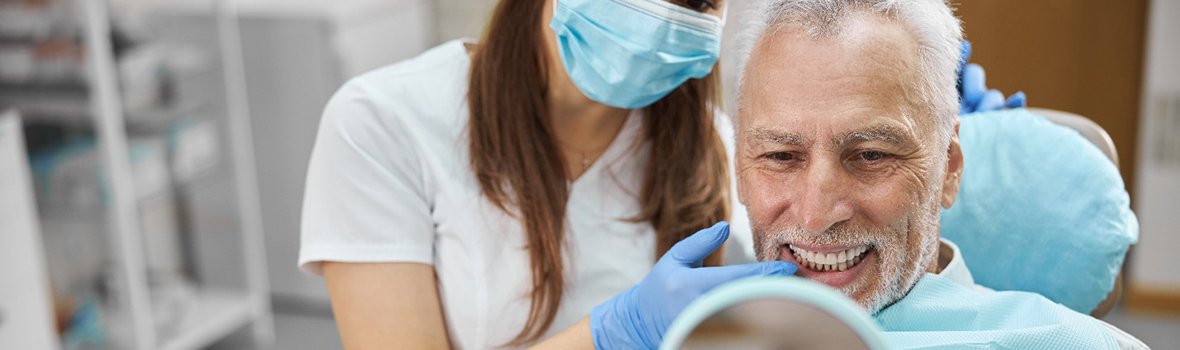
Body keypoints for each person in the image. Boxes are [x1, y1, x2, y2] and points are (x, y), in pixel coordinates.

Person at [298, 0, 1019, 348]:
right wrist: (615, 332)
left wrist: (919, 129)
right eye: (784, 156)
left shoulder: (704, 138)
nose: (664, 13)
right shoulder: (382, 124)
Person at [731, 0, 1146, 348]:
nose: (815, 215)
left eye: (871, 155)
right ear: (739, 170)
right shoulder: (700, 332)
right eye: (782, 156)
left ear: (949, 167)